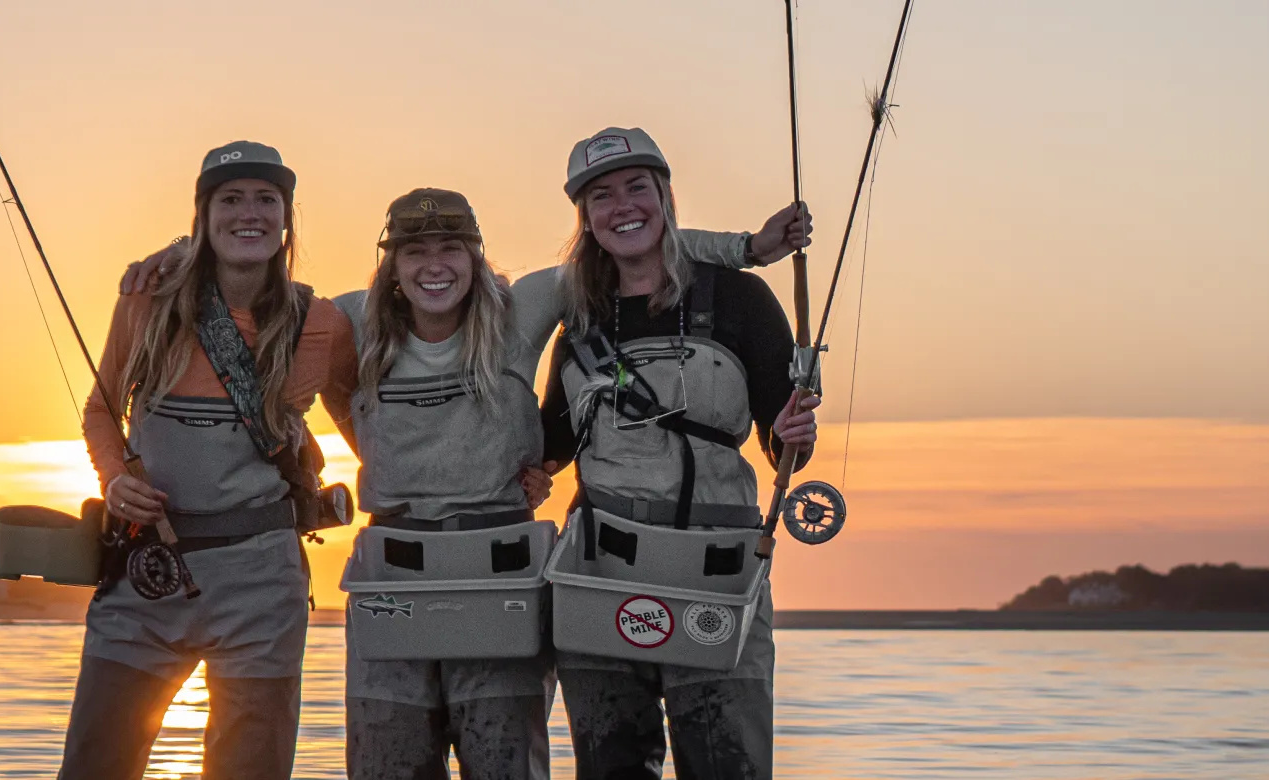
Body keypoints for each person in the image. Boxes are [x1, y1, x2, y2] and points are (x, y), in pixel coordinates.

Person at [122, 179, 809, 780]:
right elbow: (256, 293)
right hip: (391, 583)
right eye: (414, 252)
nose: (433, 266)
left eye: (450, 249)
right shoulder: (348, 319)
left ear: (476, 258)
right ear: (391, 265)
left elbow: (629, 242)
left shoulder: (525, 307)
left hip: (501, 581)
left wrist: (745, 248)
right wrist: (187, 258)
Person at [62, 140, 358, 780]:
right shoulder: (146, 301)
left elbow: (370, 423)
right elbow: (98, 412)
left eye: (265, 200)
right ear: (204, 216)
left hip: (263, 586)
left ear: (286, 220)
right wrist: (114, 480)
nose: (248, 213)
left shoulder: (325, 323)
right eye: (230, 199)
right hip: (144, 574)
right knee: (95, 764)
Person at [537, 127, 821, 780]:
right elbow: (548, 445)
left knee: (728, 765)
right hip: (600, 573)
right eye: (601, 195)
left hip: (716, 575)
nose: (623, 206)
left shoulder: (740, 297)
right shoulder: (576, 320)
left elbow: (785, 451)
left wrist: (792, 434)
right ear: (585, 217)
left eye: (638, 187)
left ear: (665, 196)